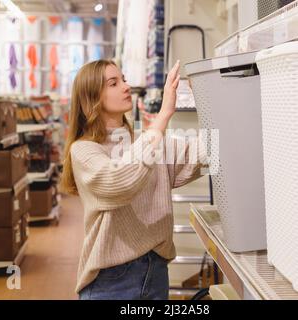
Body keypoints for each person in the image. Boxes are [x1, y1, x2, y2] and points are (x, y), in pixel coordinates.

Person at [60, 59, 207, 300]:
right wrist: (164, 115)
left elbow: (197, 155)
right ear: (92, 96)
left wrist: (221, 103)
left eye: (124, 80)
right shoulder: (84, 151)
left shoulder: (145, 140)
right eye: (113, 83)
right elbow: (121, 182)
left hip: (156, 271)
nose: (126, 87)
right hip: (111, 282)